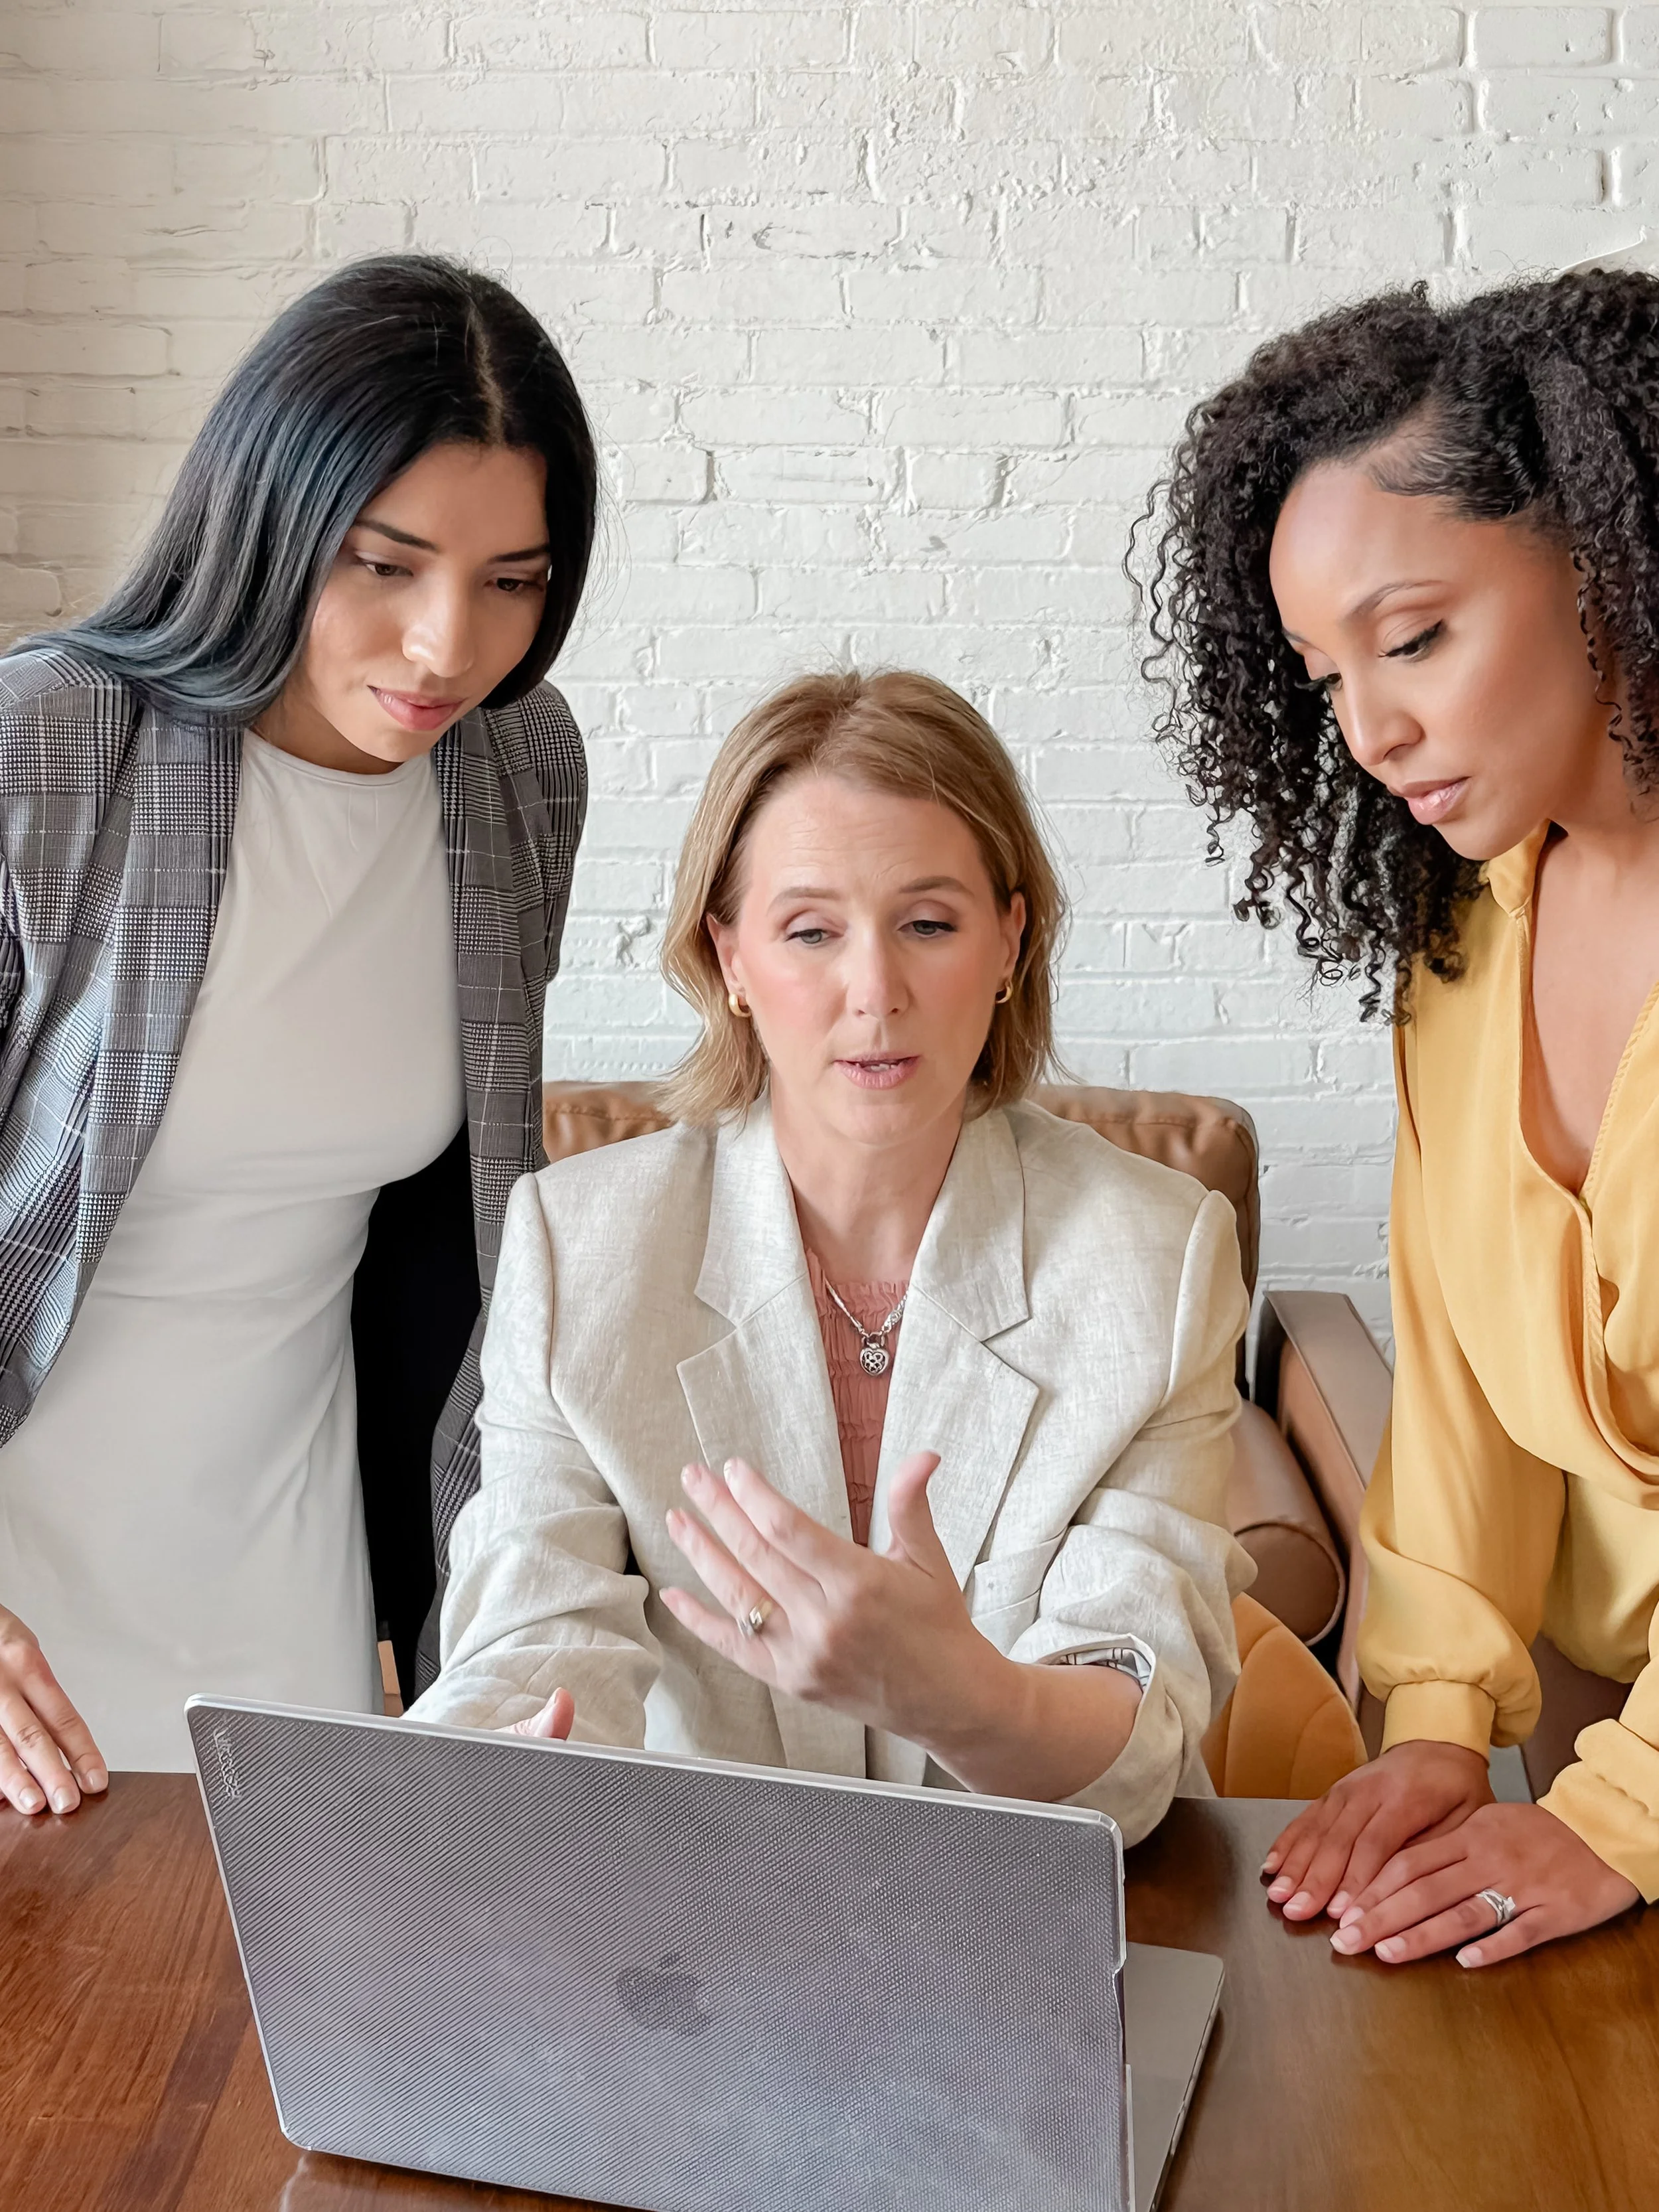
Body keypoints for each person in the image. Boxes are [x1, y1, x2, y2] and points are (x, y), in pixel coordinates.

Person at [409, 670, 1252, 1839]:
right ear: (732, 961)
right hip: (692, 1923)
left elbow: (1142, 1722)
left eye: (929, 924)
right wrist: (492, 1766)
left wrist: (959, 1694)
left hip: (1028, 1914)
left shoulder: (1155, 1260)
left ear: (1011, 942)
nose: (875, 993)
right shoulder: (578, 1244)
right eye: (810, 931)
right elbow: (533, 1629)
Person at [0, 254, 597, 1801]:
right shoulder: (49, 752)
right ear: (267, 518)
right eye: (382, 563)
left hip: (284, 1595)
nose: (444, 648)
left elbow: (456, 1239)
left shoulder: (513, 771)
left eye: (511, 581)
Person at [1138, 267, 1659, 1965]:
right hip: (1601, 1721)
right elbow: (1452, 1376)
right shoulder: (1464, 949)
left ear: (1606, 548)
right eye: (1320, 671)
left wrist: (1616, 1811)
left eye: (1415, 636)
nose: (1367, 728)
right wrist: (1436, 1713)